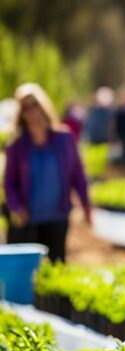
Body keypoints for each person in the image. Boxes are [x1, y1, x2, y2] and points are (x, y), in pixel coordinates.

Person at [3, 83, 92, 263]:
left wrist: (86, 205)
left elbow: (77, 175)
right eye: (25, 108)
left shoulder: (64, 139)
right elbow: (9, 183)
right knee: (28, 270)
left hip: (58, 215)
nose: (31, 111)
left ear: (43, 105)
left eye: (34, 104)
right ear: (21, 114)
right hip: (29, 219)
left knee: (56, 263)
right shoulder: (17, 146)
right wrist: (17, 208)